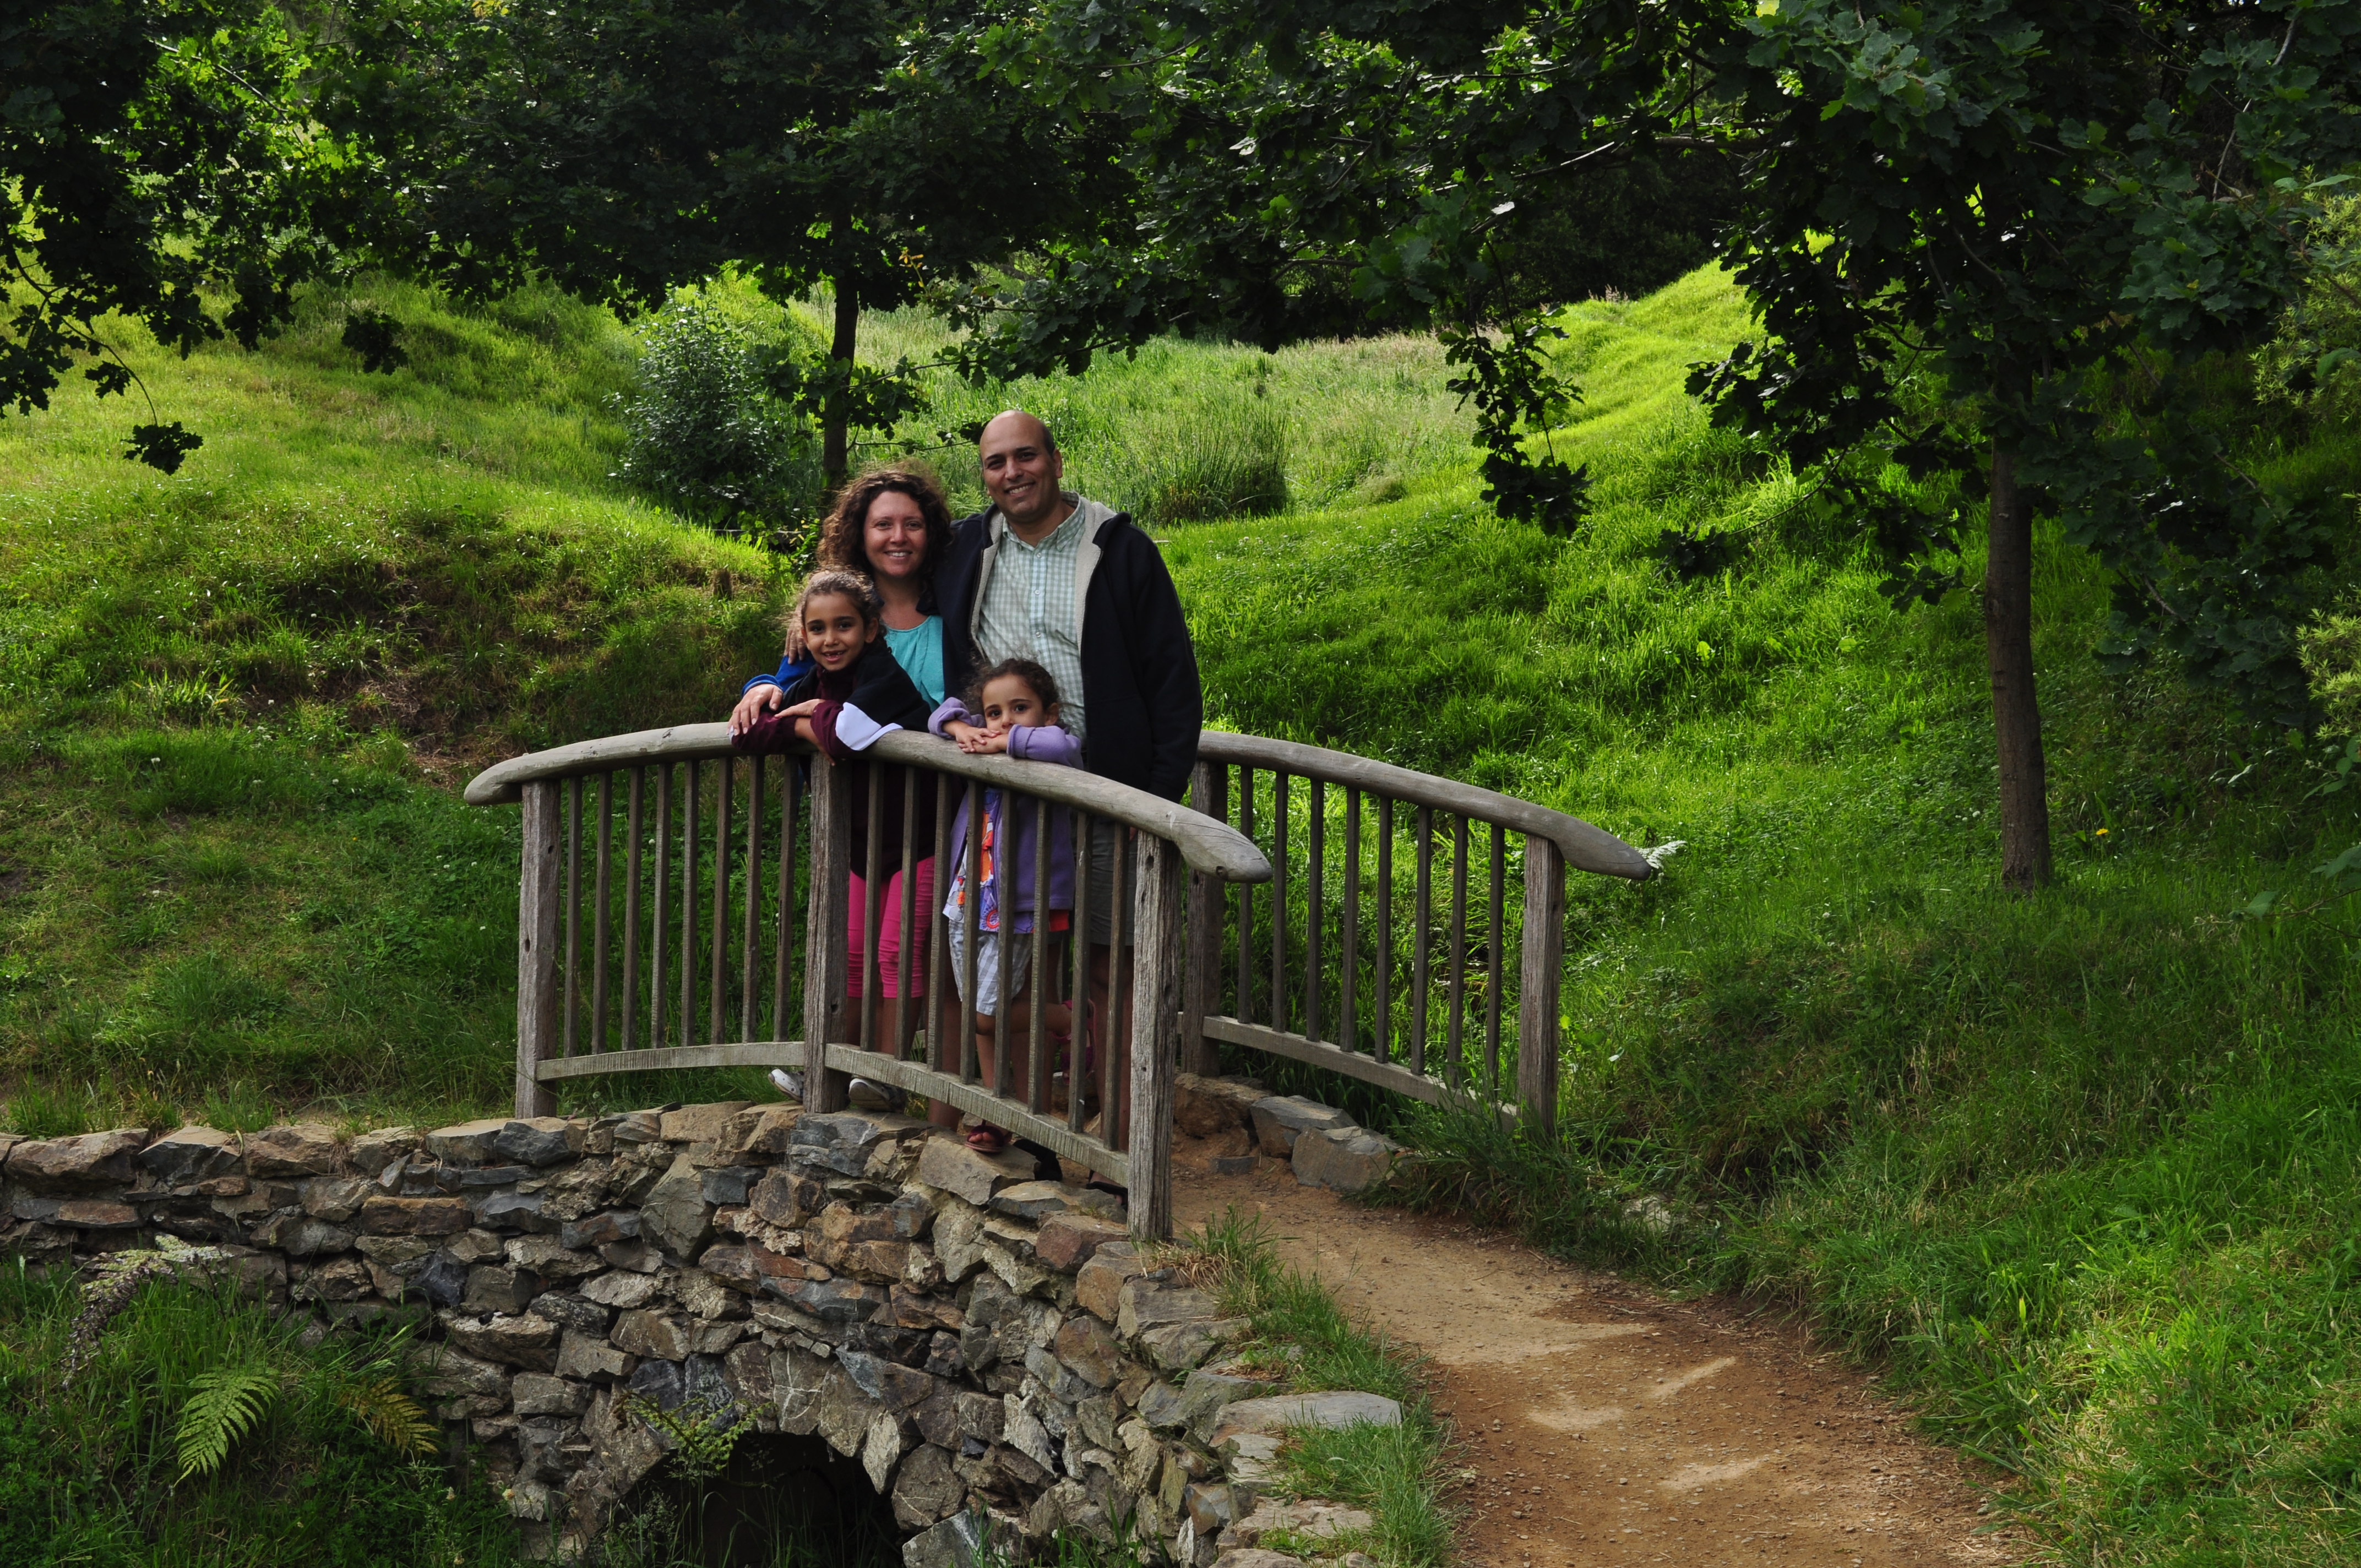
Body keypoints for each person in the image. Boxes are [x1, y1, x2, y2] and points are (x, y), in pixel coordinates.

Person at [932, 411, 1205, 1148]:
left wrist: (1153, 801)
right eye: (995, 463)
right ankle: (1022, 1127)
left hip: (1108, 799)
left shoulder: (1118, 550)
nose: (1011, 473)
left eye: (1025, 456)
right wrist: (786, 663)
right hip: (1009, 809)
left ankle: (1120, 1145)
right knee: (1014, 974)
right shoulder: (966, 549)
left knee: (1111, 972)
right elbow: (883, 593)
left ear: (1056, 460)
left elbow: (1173, 683)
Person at [731, 470, 955, 1106]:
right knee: (850, 954)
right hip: (857, 837)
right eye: (819, 629)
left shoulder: (886, 668)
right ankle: (831, 1067)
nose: (831, 639)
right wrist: (788, 705)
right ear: (804, 632)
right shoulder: (815, 670)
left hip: (917, 831)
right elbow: (754, 733)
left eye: (845, 627)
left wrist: (805, 719)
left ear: (870, 629)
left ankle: (887, 1075)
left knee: (895, 953)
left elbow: (846, 733)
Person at [930, 659, 1083, 1152]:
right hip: (965, 899)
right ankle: (997, 1112)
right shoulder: (980, 734)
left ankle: (1066, 1019)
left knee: (985, 1014)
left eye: (1021, 708)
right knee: (978, 1009)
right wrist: (962, 728)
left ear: (1049, 712)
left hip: (1018, 905)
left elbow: (1064, 746)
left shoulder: (1048, 748)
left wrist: (1003, 741)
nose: (1005, 721)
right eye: (994, 713)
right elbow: (940, 714)